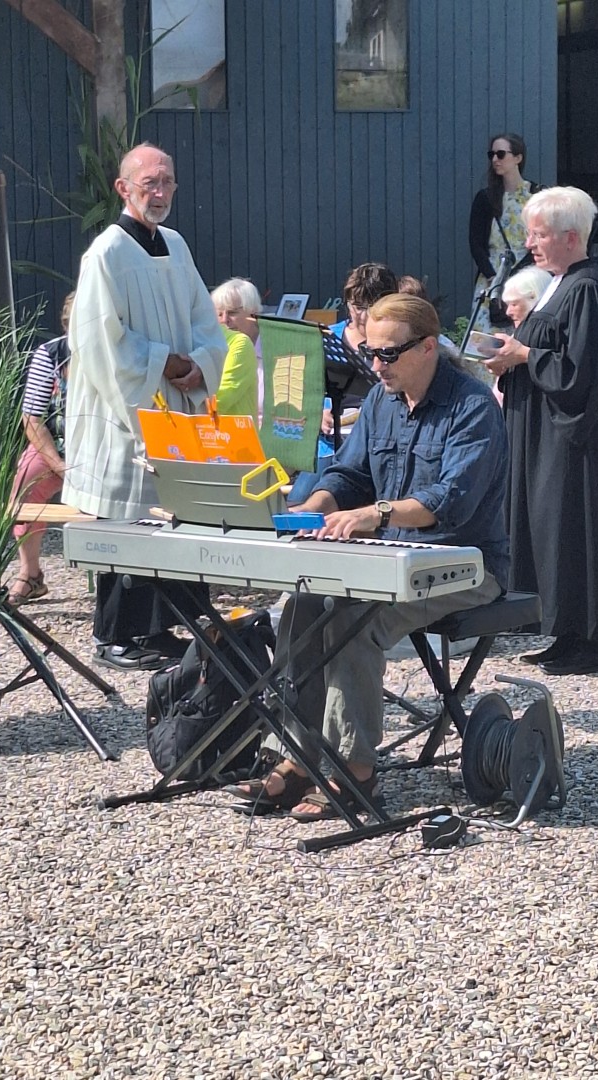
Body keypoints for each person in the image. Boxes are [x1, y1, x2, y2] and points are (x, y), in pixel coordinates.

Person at [227, 295, 509, 820]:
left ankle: (354, 771)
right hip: (391, 553)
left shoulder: (473, 406)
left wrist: (375, 514)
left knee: (353, 619)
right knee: (302, 607)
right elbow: (350, 475)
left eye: (388, 354)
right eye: (371, 354)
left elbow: (452, 502)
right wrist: (312, 506)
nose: (376, 365)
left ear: (428, 347)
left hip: (467, 563)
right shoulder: (383, 399)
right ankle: (297, 755)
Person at [63, 142, 226, 671]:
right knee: (129, 523)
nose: (160, 192)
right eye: (150, 183)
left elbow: (206, 318)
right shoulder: (106, 255)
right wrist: (162, 363)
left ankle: (162, 629)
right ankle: (118, 635)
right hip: (126, 415)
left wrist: (201, 361)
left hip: (178, 402)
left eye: (168, 182)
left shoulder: (176, 246)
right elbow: (96, 342)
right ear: (124, 188)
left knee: (172, 518)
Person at [483, 186, 598, 676]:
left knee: (575, 530)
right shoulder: (558, 284)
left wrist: (524, 355)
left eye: (540, 234)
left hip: (575, 443)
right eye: (530, 233)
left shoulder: (589, 289)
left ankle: (591, 640)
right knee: (551, 532)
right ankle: (565, 630)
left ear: (571, 237)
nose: (530, 243)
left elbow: (583, 372)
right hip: (543, 437)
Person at [286, 262, 398, 504]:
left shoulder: (398, 342)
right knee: (299, 503)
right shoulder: (326, 337)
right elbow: (299, 393)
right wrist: (316, 413)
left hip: (380, 445)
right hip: (330, 444)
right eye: (357, 306)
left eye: (373, 307)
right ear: (347, 303)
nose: (364, 315)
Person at [7, 291, 75, 606]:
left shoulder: (116, 354)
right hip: (56, 447)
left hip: (101, 453)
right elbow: (32, 418)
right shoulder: (49, 354)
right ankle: (31, 574)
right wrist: (59, 465)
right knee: (24, 485)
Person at [468, 133, 540, 336]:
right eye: (492, 154)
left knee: (524, 334)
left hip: (528, 275)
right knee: (485, 339)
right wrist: (493, 276)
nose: (495, 160)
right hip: (493, 277)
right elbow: (476, 243)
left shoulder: (535, 196)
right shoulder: (486, 198)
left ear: (518, 158)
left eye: (501, 154)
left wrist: (521, 272)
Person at [210, 277, 263, 422]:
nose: (224, 320)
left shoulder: (277, 350)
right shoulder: (216, 349)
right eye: (219, 314)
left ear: (253, 313)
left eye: (232, 313)